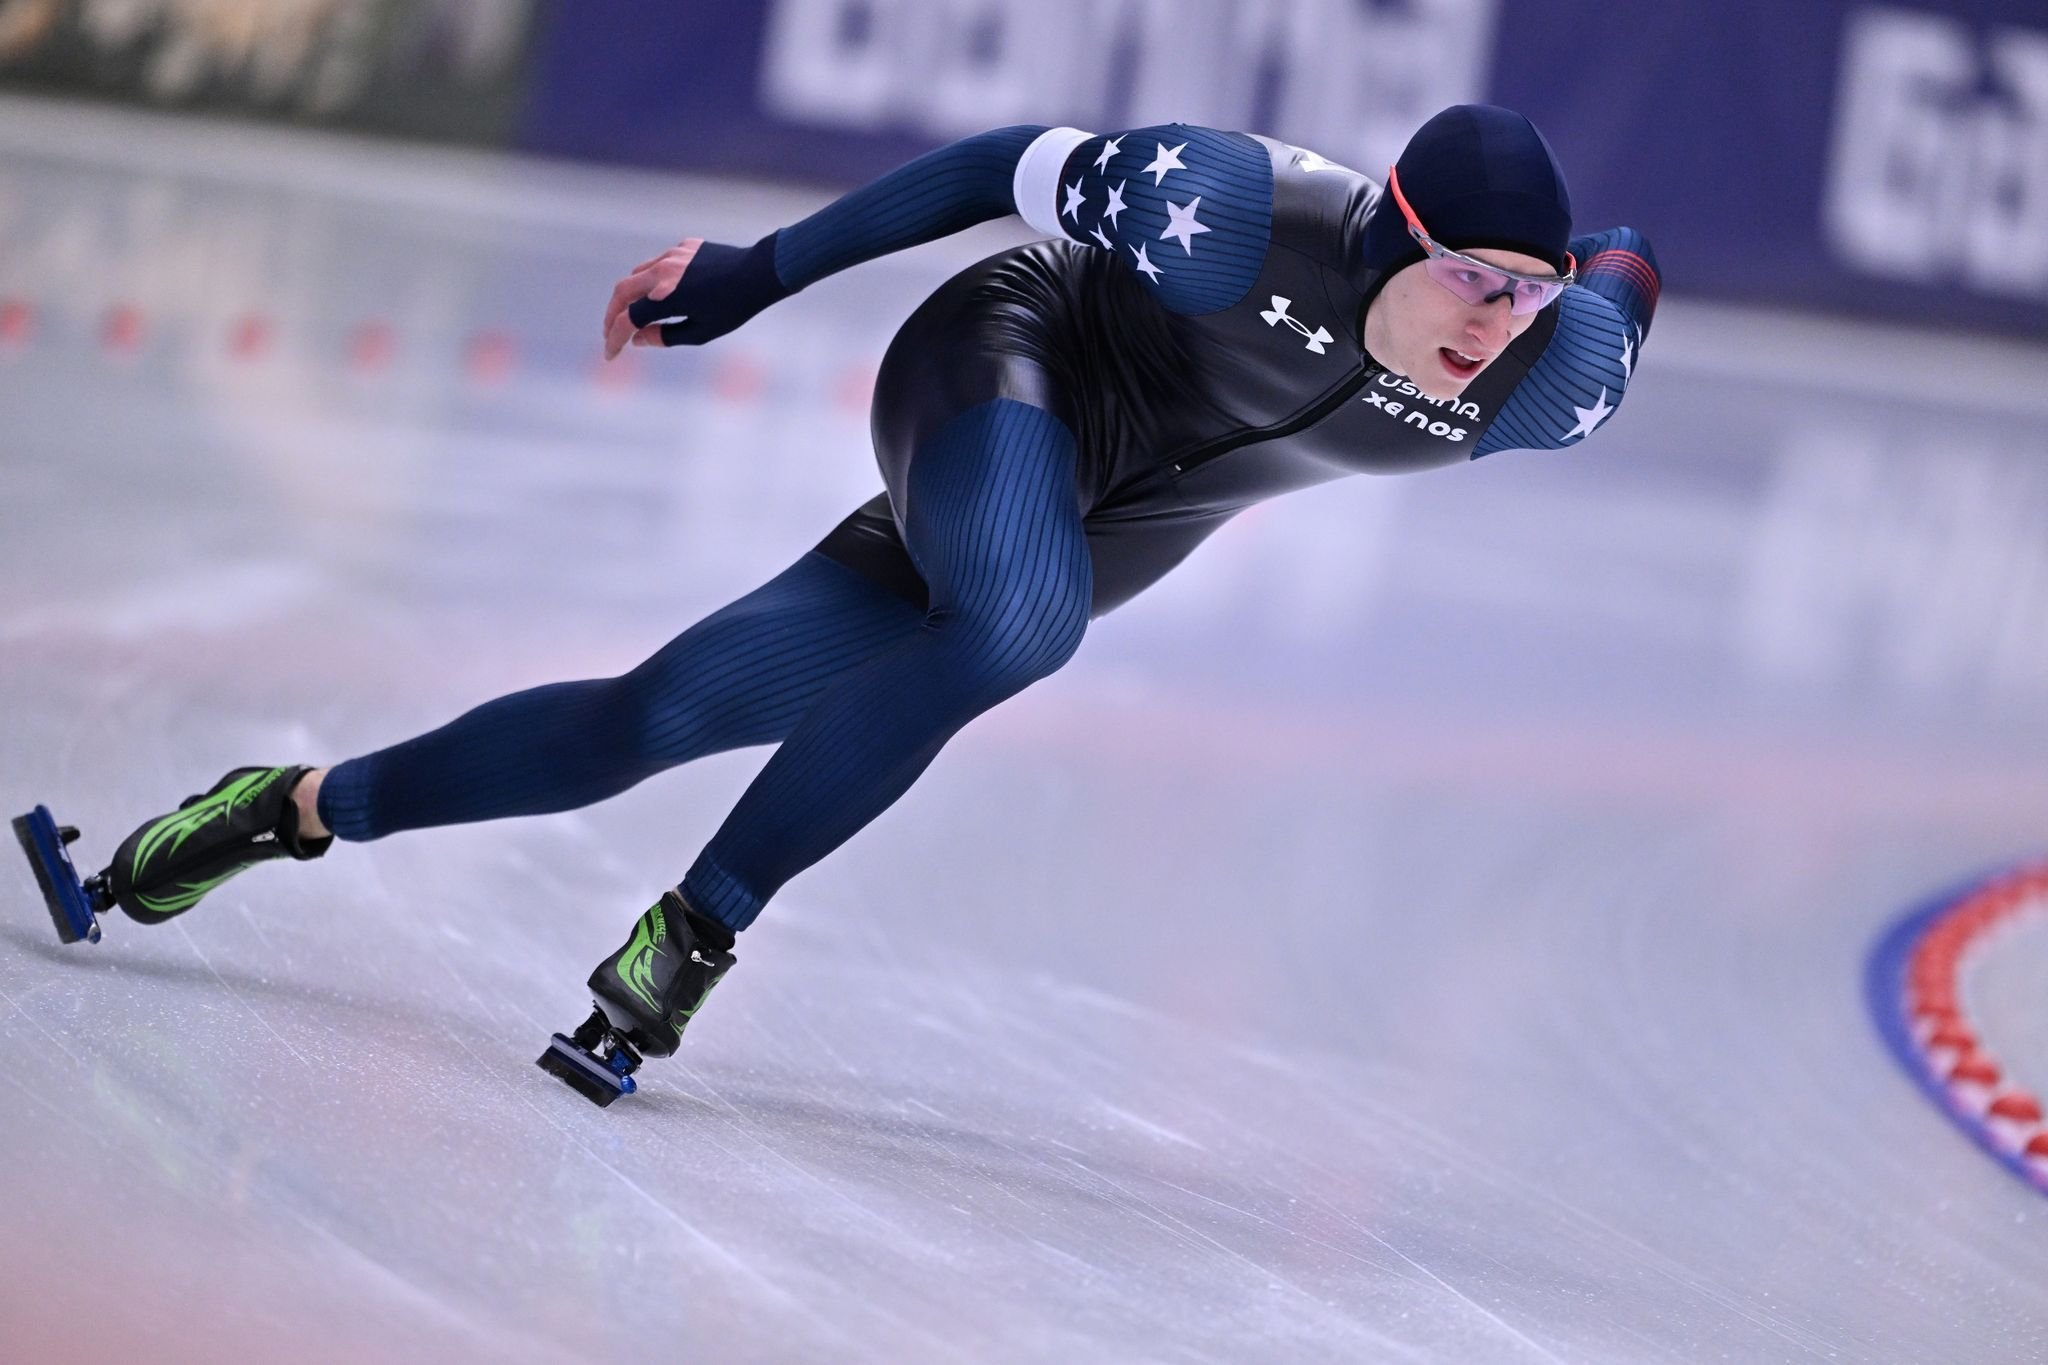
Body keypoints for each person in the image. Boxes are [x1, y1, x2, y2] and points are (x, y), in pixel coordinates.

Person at [46, 104, 1660, 1100]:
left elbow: (1626, 276)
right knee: (1023, 622)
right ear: (1393, 229)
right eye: (1471, 280)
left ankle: (280, 809)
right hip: (1008, 364)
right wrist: (757, 269)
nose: (1494, 327)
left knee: (645, 721)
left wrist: (1597, 270)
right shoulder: (1228, 212)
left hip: (1136, 510)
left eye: (1527, 296)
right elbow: (994, 165)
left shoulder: (1550, 379)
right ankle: (693, 933)